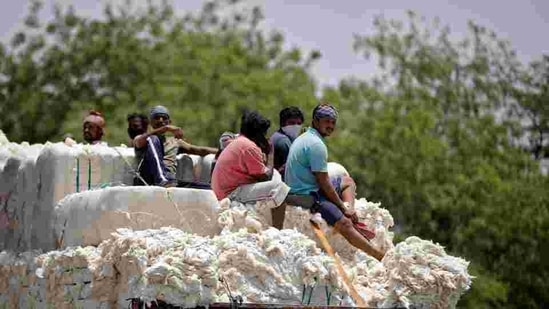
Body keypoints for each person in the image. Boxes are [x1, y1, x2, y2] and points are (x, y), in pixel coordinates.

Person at [285, 103, 384, 260]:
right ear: (316, 121)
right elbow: (324, 182)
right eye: (326, 121)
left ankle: (349, 208)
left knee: (347, 181)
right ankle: (378, 256)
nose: (330, 125)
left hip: (300, 188)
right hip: (306, 196)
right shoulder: (316, 145)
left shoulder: (305, 137)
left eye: (333, 122)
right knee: (344, 223)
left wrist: (344, 207)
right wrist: (342, 209)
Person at [211, 110, 289, 229]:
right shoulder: (249, 147)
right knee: (281, 189)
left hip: (225, 190)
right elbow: (265, 177)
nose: (265, 137)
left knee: (276, 177)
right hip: (231, 194)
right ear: (258, 133)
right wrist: (270, 153)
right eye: (264, 133)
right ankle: (278, 230)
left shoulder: (240, 142)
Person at [133, 105, 218, 187]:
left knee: (208, 189)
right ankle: (161, 179)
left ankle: (165, 181)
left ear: (169, 122)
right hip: (147, 179)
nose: (160, 120)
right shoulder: (144, 139)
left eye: (164, 118)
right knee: (153, 138)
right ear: (150, 122)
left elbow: (199, 150)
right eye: (156, 117)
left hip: (170, 180)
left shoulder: (174, 142)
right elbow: (139, 141)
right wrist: (166, 128)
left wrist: (225, 150)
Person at [269, 106, 304, 178]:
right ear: (282, 124)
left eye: (299, 123)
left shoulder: (277, 136)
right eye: (292, 123)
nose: (296, 126)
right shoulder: (283, 141)